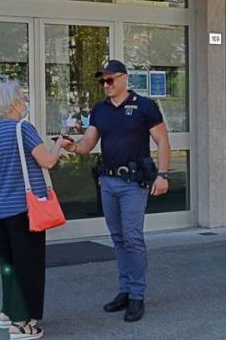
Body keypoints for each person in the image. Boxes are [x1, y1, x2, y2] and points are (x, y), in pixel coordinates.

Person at [64, 59, 171, 322]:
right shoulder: (100, 110)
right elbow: (88, 144)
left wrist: (164, 175)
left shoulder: (144, 106)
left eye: (110, 79)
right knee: (118, 238)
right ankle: (124, 291)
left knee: (132, 237)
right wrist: (71, 146)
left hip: (133, 183)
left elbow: (163, 140)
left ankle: (137, 295)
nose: (106, 85)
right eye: (102, 81)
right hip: (108, 182)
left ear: (124, 78)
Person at [0, 81, 71, 340]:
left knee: (9, 264)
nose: (25, 102)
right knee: (28, 265)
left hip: (0, 209)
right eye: (22, 98)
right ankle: (22, 325)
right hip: (26, 210)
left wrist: (3, 196)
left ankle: (7, 312)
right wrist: (60, 145)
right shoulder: (24, 129)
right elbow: (46, 161)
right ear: (13, 105)